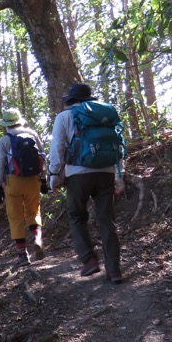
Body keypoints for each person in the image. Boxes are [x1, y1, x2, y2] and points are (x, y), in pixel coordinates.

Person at [48, 82, 125, 284]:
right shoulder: (103, 115)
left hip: (78, 173)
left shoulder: (65, 116)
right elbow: (118, 144)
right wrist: (119, 176)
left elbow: (58, 148)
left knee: (76, 216)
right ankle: (114, 270)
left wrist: (54, 176)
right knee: (107, 220)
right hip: (106, 172)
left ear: (71, 100)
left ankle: (89, 259)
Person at [0, 108, 46, 270]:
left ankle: (22, 256)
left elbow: (0, 164)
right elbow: (42, 156)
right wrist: (44, 179)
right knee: (34, 212)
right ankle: (38, 239)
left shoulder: (5, 139)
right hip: (33, 179)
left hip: (14, 180)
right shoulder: (32, 134)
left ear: (6, 124)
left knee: (15, 217)